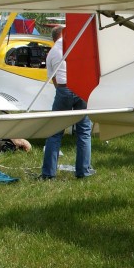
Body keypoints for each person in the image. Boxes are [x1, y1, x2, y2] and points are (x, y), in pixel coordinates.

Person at [40, 26, 94, 179]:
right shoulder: (77, 47)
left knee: (54, 132)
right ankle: (83, 171)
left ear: (54, 38)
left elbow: (54, 81)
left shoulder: (52, 53)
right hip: (82, 89)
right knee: (84, 132)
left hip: (64, 89)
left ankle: (49, 174)